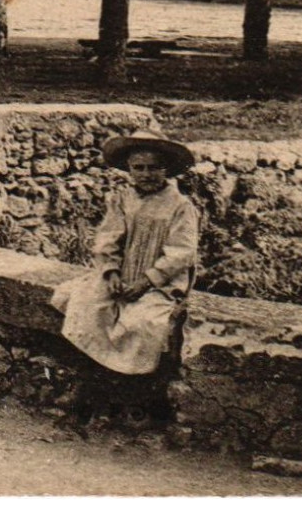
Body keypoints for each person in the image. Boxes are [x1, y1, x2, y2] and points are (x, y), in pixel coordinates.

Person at [50, 135, 200, 381]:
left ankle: (133, 390)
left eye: (154, 168)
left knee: (142, 323)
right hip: (122, 274)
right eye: (138, 168)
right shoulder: (122, 199)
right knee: (87, 304)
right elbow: (108, 238)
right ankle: (91, 381)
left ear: (167, 169)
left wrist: (146, 281)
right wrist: (111, 272)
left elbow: (181, 252)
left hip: (159, 283)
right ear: (129, 169)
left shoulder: (180, 206)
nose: (146, 174)